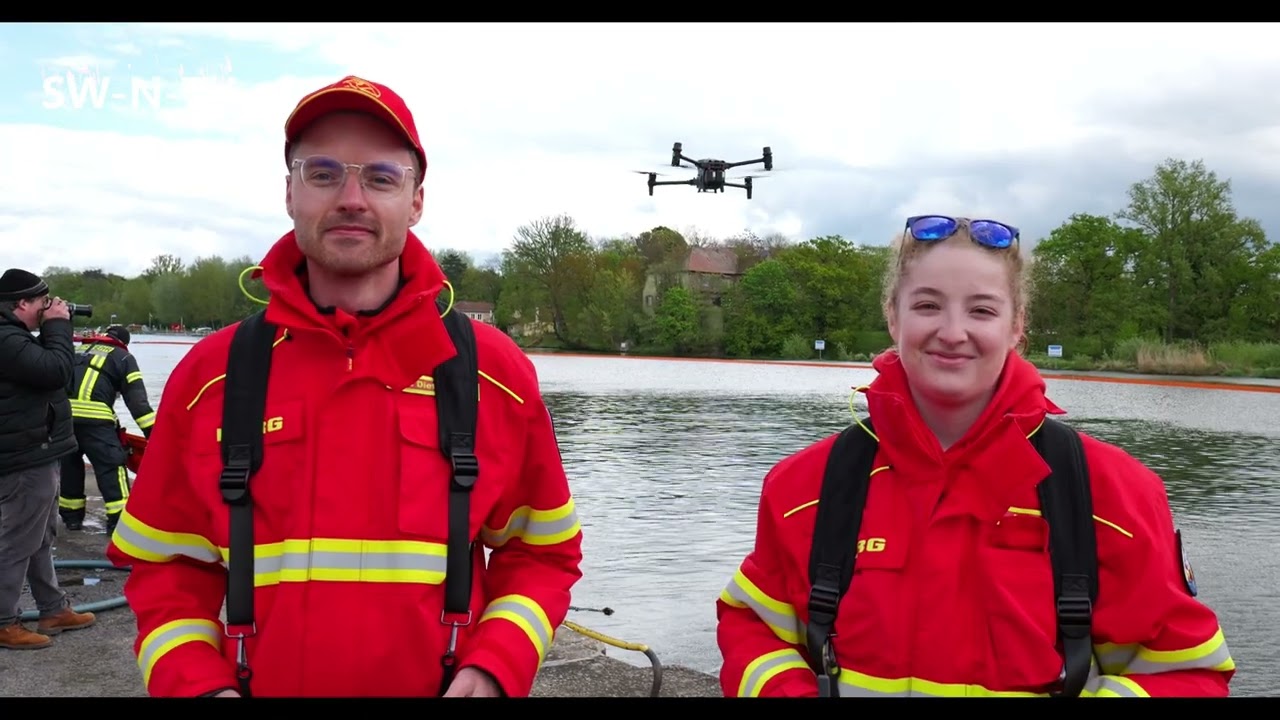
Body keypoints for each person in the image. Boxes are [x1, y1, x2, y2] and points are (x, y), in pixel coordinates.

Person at [105, 76, 584, 697]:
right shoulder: (210, 377)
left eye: (381, 177)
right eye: (324, 173)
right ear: (290, 192)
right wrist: (198, 685)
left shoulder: (493, 374)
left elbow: (541, 553)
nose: (352, 198)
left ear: (415, 201)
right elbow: (167, 566)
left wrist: (495, 668)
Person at [715, 215, 1235, 698]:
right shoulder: (804, 487)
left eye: (981, 310)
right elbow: (754, 629)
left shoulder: (1111, 493)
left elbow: (1185, 671)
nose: (952, 332)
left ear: (1017, 325)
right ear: (893, 316)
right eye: (927, 305)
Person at [0, 268, 97, 650]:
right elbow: (56, 371)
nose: (49, 307)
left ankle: (53, 608)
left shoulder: (16, 337)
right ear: (21, 303)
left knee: (40, 536)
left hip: (36, 450)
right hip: (24, 456)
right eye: (43, 302)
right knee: (17, 540)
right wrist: (58, 326)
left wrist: (51, 328)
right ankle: (4, 622)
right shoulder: (6, 338)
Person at [59, 325, 157, 535]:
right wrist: (155, 435)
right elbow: (138, 404)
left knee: (69, 467)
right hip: (97, 423)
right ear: (124, 343)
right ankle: (118, 522)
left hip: (64, 421)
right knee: (111, 468)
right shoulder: (123, 358)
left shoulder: (78, 350)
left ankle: (72, 519)